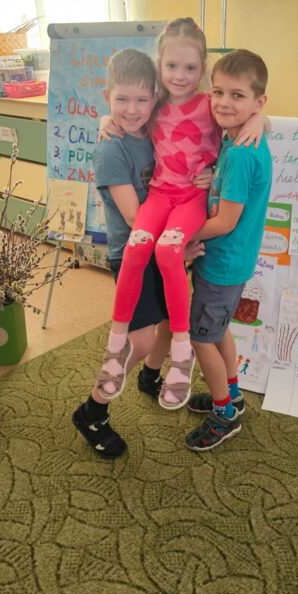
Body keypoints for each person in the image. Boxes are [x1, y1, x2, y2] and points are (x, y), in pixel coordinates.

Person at [93, 18, 266, 418]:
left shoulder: (209, 103)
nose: (180, 75)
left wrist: (259, 118)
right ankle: (116, 347)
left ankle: (183, 351)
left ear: (202, 69)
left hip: (190, 198)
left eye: (190, 68)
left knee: (169, 254)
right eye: (171, 66)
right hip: (160, 195)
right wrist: (105, 119)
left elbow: (242, 114)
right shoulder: (152, 105)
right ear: (160, 66)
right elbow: (125, 110)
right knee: (137, 247)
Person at [72, 48, 208, 459]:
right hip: (132, 251)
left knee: (168, 320)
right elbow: (134, 217)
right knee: (142, 338)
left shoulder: (154, 129)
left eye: (141, 100)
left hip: (163, 246)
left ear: (154, 99)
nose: (131, 110)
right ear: (108, 97)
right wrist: (179, 244)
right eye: (121, 100)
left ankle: (150, 378)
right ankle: (93, 410)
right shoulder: (111, 149)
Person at [185, 49, 273, 452]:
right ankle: (232, 394)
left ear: (258, 101)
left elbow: (224, 222)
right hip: (231, 261)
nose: (223, 102)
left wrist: (180, 238)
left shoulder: (239, 153)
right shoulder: (239, 137)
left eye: (237, 95)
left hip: (222, 262)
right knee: (218, 331)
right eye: (217, 91)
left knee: (201, 338)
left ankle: (225, 414)